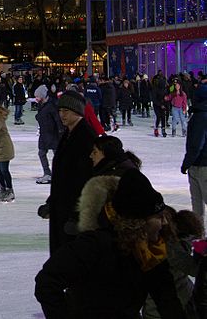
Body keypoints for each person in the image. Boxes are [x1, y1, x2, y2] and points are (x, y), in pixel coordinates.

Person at [35, 169, 187, 319]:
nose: (165, 223)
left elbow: (167, 298)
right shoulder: (95, 245)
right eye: (159, 217)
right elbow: (47, 282)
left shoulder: (151, 252)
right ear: (139, 222)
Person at [38, 90, 96, 253]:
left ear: (77, 112)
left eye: (66, 111)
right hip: (63, 207)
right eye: (60, 110)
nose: (62, 115)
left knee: (70, 259)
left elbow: (84, 178)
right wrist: (52, 202)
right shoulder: (68, 133)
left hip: (73, 211)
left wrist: (77, 214)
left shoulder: (85, 136)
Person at [181, 84, 207, 225]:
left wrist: (187, 163)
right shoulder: (199, 115)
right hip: (200, 165)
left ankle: (199, 241)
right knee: (197, 208)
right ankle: (199, 242)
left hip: (201, 165)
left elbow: (196, 145)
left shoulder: (200, 117)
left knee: (198, 207)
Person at [34, 85, 63, 185]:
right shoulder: (42, 105)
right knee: (41, 153)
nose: (36, 98)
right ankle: (47, 173)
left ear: (42, 96)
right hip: (44, 134)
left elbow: (58, 120)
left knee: (57, 155)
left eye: (37, 96)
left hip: (53, 134)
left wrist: (61, 132)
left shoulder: (52, 106)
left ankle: (59, 174)